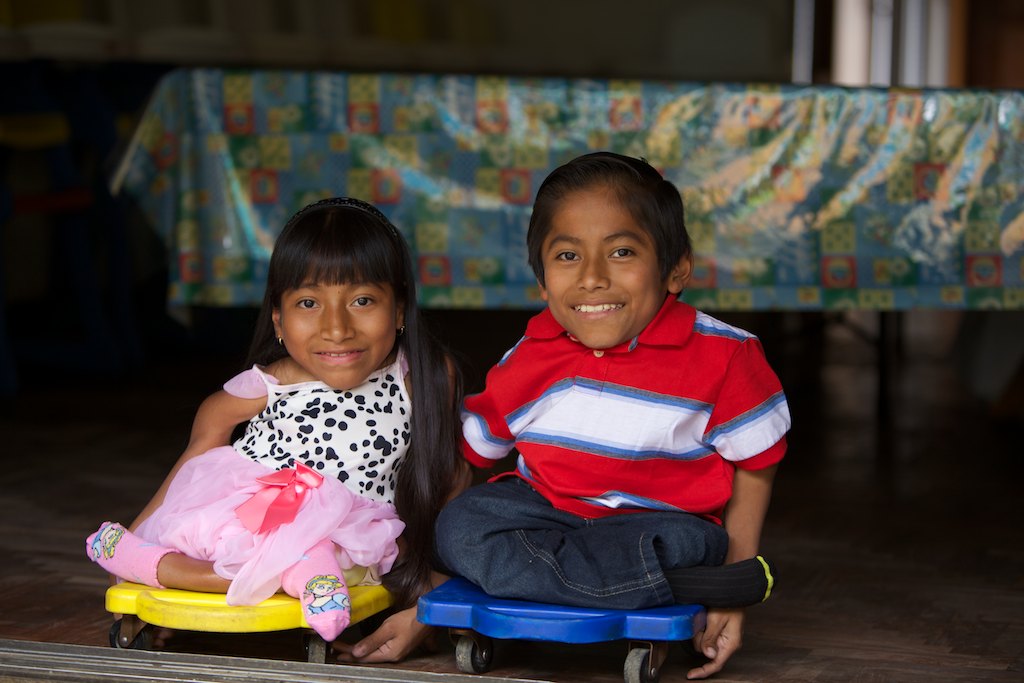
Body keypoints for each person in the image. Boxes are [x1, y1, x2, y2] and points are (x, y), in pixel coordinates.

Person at [434, 152, 791, 679]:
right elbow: (474, 454)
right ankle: (650, 584)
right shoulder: (530, 355)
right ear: (541, 281)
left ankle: (618, 577)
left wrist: (734, 585)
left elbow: (757, 465)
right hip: (548, 515)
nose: (593, 278)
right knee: (460, 527)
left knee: (690, 546)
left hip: (660, 525)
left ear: (676, 268)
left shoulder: (726, 356)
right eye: (567, 256)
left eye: (621, 251)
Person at [87, 197, 468, 655]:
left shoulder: (423, 377)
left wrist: (435, 594)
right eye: (309, 302)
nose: (336, 327)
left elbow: (449, 477)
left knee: (321, 556)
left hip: (349, 531)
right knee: (264, 555)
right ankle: (138, 556)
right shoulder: (272, 383)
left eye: (362, 300)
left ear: (401, 308)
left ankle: (152, 564)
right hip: (252, 512)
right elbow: (201, 449)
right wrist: (141, 529)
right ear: (278, 320)